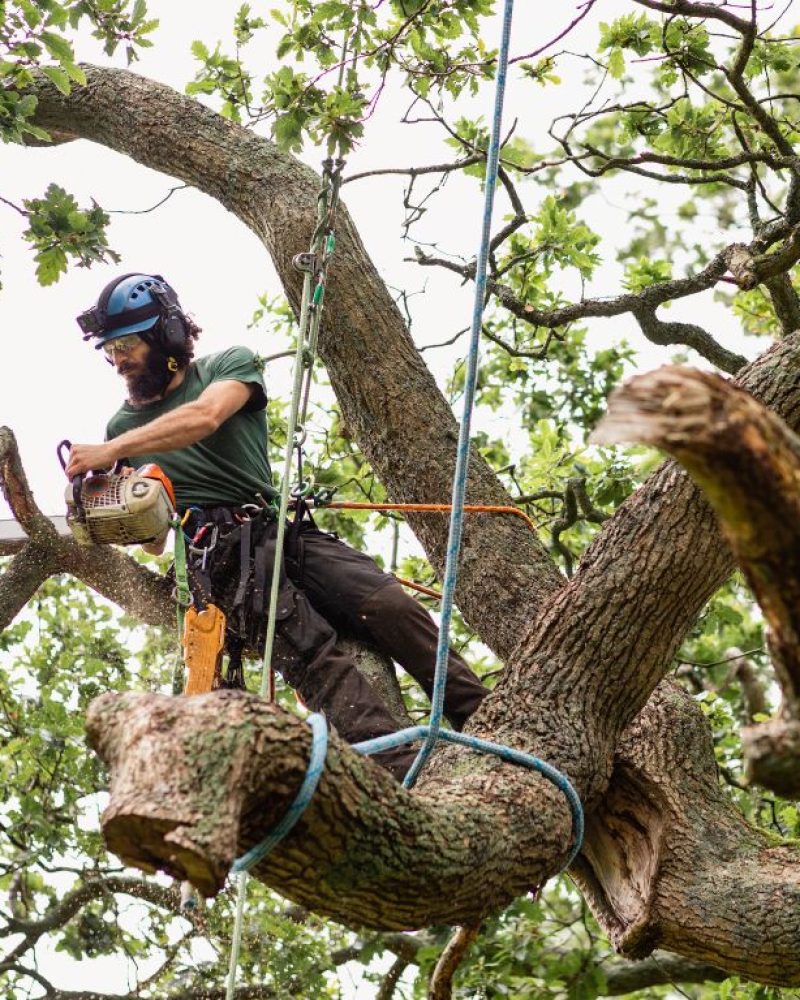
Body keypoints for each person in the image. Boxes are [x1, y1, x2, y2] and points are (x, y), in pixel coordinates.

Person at [67, 272, 488, 779]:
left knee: (388, 603)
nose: (118, 360)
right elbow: (156, 544)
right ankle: (402, 771)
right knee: (313, 652)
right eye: (110, 349)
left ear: (168, 335)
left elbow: (205, 418)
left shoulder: (228, 366)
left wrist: (114, 451)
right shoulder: (122, 426)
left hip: (277, 530)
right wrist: (118, 507)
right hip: (219, 555)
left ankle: (485, 720)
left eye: (128, 344)